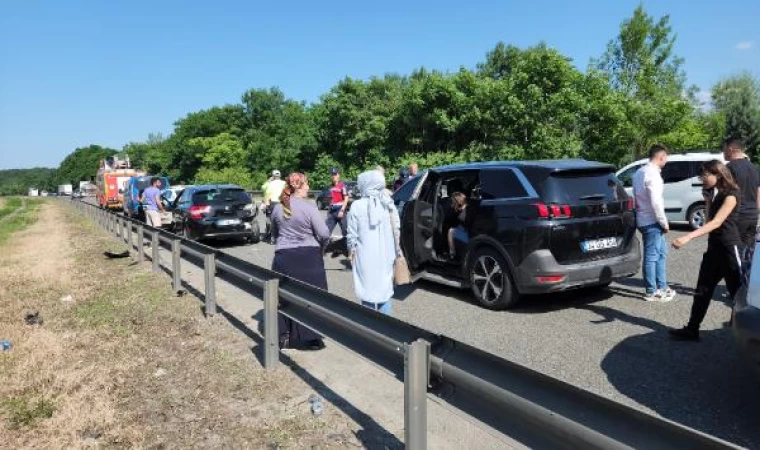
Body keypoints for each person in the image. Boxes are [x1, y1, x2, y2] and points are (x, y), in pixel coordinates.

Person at [670, 160, 744, 341]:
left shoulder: (732, 195)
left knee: (738, 294)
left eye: (704, 175)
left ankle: (746, 332)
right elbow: (709, 220)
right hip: (714, 249)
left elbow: (717, 222)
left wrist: (688, 237)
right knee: (702, 289)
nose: (702, 178)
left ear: (717, 174)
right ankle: (692, 329)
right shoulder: (718, 194)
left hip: (729, 249)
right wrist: (708, 202)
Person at [270, 172, 330, 350]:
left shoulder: (278, 208)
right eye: (307, 185)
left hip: (284, 257)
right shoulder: (309, 207)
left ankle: (284, 336)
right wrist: (323, 246)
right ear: (300, 186)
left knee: (283, 297)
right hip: (308, 258)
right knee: (313, 297)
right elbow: (324, 234)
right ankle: (310, 338)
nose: (309, 188)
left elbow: (274, 234)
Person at [347, 170, 400, 315]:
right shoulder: (388, 203)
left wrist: (351, 252)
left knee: (367, 293)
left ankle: (369, 330)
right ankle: (387, 330)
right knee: (384, 294)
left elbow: (352, 235)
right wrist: (397, 251)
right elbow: (397, 229)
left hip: (365, 256)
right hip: (386, 255)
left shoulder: (357, 205)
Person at [632, 144, 676, 302]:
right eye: (666, 157)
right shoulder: (653, 175)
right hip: (652, 220)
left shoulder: (639, 172)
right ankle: (652, 291)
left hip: (644, 218)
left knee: (661, 253)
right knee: (652, 256)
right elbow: (656, 202)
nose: (666, 160)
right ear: (661, 157)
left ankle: (662, 287)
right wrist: (664, 222)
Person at [722, 138, 760, 248]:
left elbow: (725, 192)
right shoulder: (755, 168)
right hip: (752, 216)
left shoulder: (729, 168)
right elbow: (758, 193)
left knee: (733, 250)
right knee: (748, 251)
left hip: (737, 216)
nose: (723, 152)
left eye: (724, 149)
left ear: (730, 149)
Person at [325, 168, 349, 244]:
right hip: (332, 211)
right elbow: (331, 199)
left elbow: (346, 198)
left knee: (345, 230)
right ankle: (322, 250)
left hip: (340, 210)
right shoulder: (330, 186)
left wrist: (342, 210)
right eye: (332, 174)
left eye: (335, 174)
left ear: (338, 175)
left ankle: (349, 251)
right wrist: (329, 210)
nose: (333, 176)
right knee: (326, 230)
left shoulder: (342, 186)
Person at [261, 170, 286, 243]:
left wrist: (265, 204)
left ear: (273, 176)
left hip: (273, 203)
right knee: (284, 220)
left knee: (272, 220)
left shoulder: (270, 183)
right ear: (280, 176)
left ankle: (272, 237)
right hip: (282, 203)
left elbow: (267, 193)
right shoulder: (284, 183)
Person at [447, 192, 469, 260]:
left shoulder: (466, 207)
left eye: (456, 200)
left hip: (469, 232)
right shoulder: (462, 207)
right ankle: (452, 253)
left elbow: (462, 219)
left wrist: (460, 210)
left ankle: (452, 254)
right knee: (452, 230)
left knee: (451, 231)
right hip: (466, 229)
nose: (456, 202)